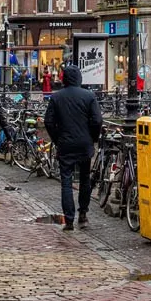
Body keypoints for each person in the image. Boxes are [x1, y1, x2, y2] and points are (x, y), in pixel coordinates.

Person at [43, 63, 102, 231]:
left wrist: (57, 138)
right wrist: (93, 138)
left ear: (64, 79)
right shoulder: (88, 96)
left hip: (65, 144)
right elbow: (97, 120)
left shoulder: (56, 97)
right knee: (85, 179)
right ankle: (83, 214)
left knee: (66, 182)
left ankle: (69, 219)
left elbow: (48, 121)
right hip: (84, 143)